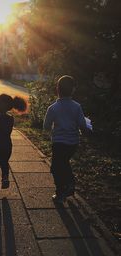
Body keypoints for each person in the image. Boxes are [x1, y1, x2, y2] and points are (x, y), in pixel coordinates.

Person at [43, 75, 87, 203]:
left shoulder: (52, 108)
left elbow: (46, 126)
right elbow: (83, 125)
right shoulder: (77, 107)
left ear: (57, 89)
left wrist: (53, 130)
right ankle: (70, 184)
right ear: (73, 90)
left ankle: (61, 192)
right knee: (64, 162)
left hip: (58, 142)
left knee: (56, 167)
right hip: (73, 143)